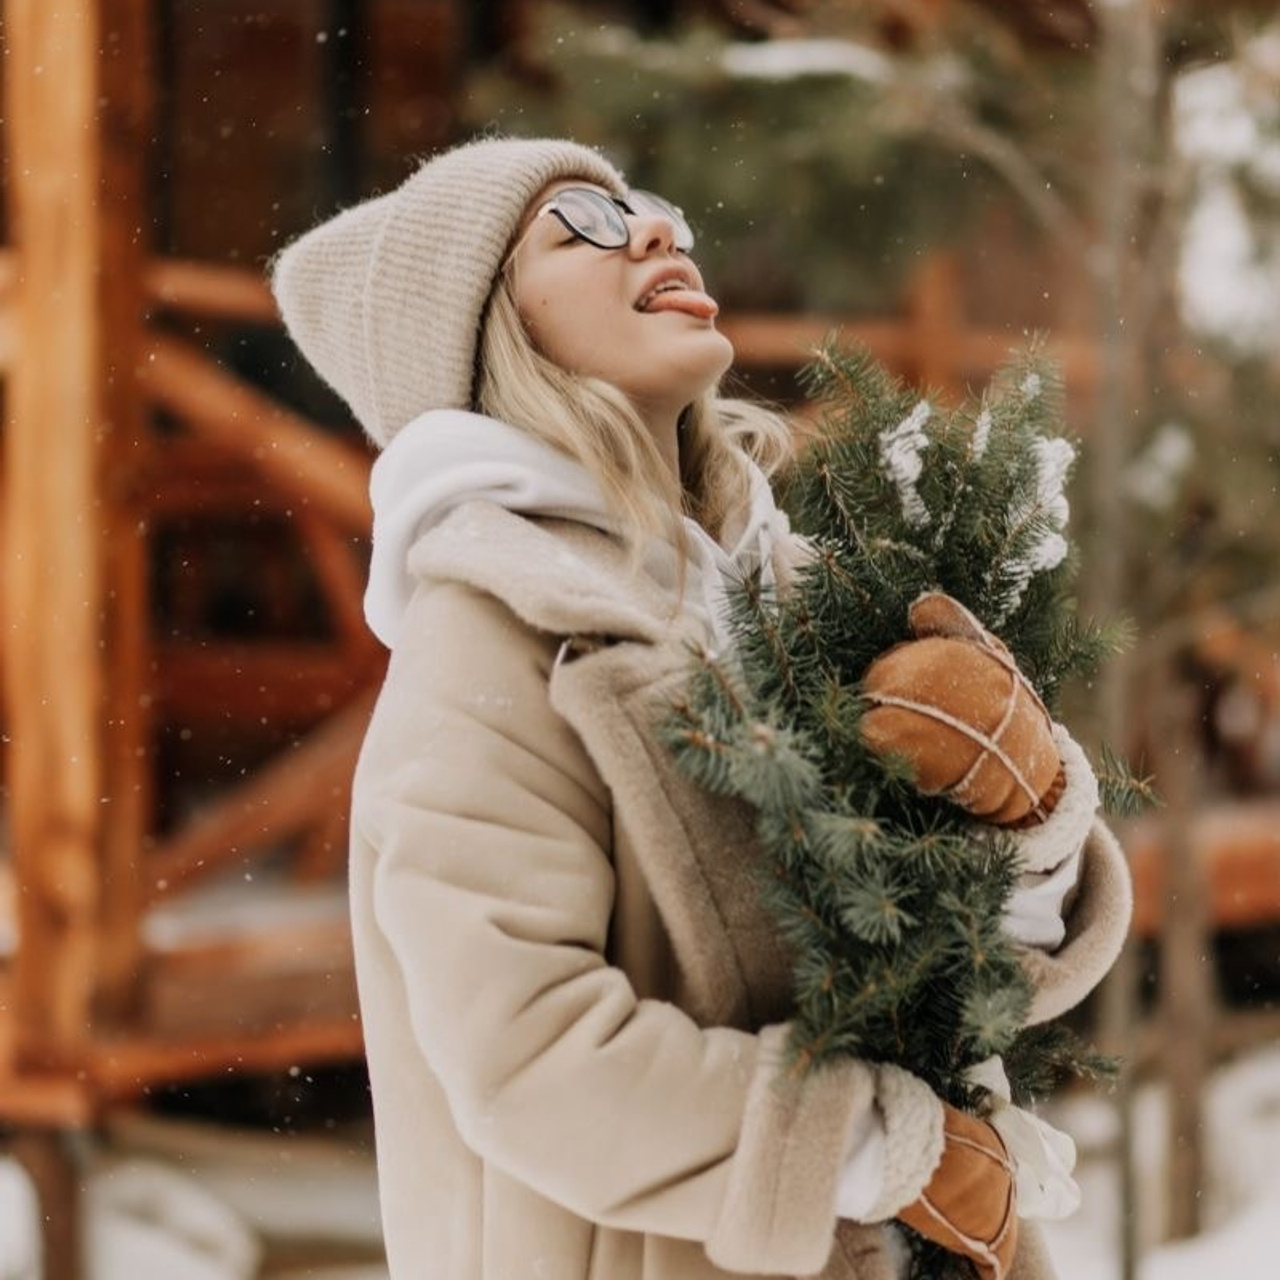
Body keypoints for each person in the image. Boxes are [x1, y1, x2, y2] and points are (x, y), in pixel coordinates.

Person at [269, 136, 1132, 1280]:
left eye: (650, 205)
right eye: (575, 219)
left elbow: (957, 971)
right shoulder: (487, 642)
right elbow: (532, 1054)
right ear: (489, 327)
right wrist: (870, 1148)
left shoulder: (789, 590)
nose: (655, 230)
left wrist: (1022, 829)